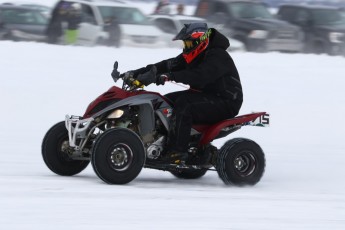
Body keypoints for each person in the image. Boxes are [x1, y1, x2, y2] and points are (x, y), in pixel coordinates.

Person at [115, 23, 243, 164]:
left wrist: (170, 76)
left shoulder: (218, 55)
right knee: (161, 102)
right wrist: (135, 73)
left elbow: (200, 75)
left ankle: (178, 151)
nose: (186, 47)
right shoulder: (192, 55)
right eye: (185, 43)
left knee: (185, 105)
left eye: (188, 43)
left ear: (200, 41)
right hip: (203, 96)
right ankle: (156, 142)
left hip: (226, 101)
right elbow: (163, 66)